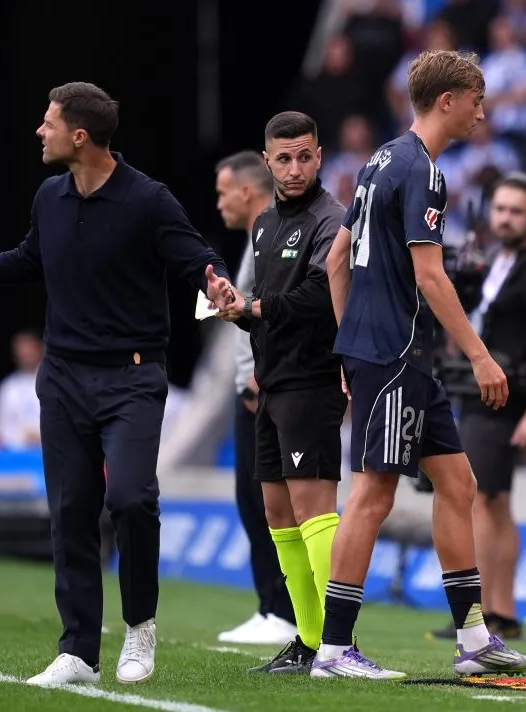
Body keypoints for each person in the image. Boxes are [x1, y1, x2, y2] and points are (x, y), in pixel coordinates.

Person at [0, 81, 234, 687]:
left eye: (48, 123)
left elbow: (196, 258)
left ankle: (140, 627)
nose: (39, 131)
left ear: (80, 136)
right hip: (65, 379)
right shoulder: (50, 196)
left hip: (132, 377)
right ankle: (78, 650)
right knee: (71, 511)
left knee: (129, 497)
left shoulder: (148, 200)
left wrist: (217, 284)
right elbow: (28, 260)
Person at [313, 49, 526, 679]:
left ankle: (473, 638)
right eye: (477, 97)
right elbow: (431, 275)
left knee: (459, 484)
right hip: (395, 353)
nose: (482, 110)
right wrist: (481, 355)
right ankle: (334, 650)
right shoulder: (423, 171)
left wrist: (347, 342)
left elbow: (337, 260)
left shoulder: (377, 161)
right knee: (372, 495)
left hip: (390, 353)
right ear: (448, 100)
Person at [219, 111, 348, 674]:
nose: (294, 168)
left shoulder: (333, 218)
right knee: (277, 513)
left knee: (314, 511)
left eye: (304, 157)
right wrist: (237, 309)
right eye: (284, 158)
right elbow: (267, 309)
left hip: (314, 382)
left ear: (319, 156)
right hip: (271, 385)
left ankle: (339, 644)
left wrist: (256, 308)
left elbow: (321, 295)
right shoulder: (265, 224)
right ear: (267, 160)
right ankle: (309, 641)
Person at [428, 172, 526, 642]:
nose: (506, 218)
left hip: (506, 401)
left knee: (484, 501)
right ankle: (496, 612)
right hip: (480, 397)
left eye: (516, 210)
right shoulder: (495, 263)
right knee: (492, 502)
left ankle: (489, 612)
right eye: (500, 209)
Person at [213, 150, 297, 645]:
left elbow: (272, 312)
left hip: (260, 388)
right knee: (253, 499)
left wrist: (257, 377)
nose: (220, 203)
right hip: (251, 385)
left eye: (224, 192)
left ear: (246, 190)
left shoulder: (271, 233)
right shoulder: (256, 237)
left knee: (269, 501)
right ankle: (271, 605)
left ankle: (282, 610)